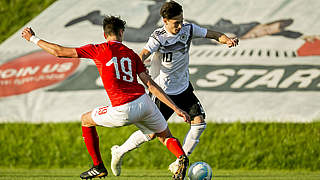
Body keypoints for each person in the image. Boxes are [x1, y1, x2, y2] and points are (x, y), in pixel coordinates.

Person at [22, 15, 191, 180]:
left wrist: (33, 38)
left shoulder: (98, 49)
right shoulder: (132, 54)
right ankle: (181, 158)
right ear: (122, 33)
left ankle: (98, 166)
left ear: (105, 34)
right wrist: (176, 109)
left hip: (123, 109)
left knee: (85, 120)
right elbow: (151, 86)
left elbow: (59, 52)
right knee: (165, 136)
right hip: (145, 103)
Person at [111, 0, 238, 176]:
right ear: (165, 21)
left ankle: (180, 161)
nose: (180, 26)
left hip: (184, 89)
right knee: (152, 134)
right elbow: (143, 54)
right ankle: (119, 151)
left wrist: (227, 40)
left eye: (181, 20)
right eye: (176, 23)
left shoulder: (189, 29)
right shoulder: (158, 37)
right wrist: (139, 66)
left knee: (199, 124)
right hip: (163, 92)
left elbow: (213, 34)